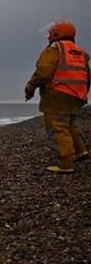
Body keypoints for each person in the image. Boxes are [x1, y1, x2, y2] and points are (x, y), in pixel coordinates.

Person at [25, 21, 90, 173]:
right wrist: (82, 94)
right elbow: (88, 76)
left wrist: (30, 88)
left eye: (51, 33)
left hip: (57, 95)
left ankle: (65, 163)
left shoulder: (54, 50)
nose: (48, 36)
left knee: (57, 127)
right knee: (70, 124)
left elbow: (43, 72)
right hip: (77, 95)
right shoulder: (81, 53)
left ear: (56, 34)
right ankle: (81, 151)